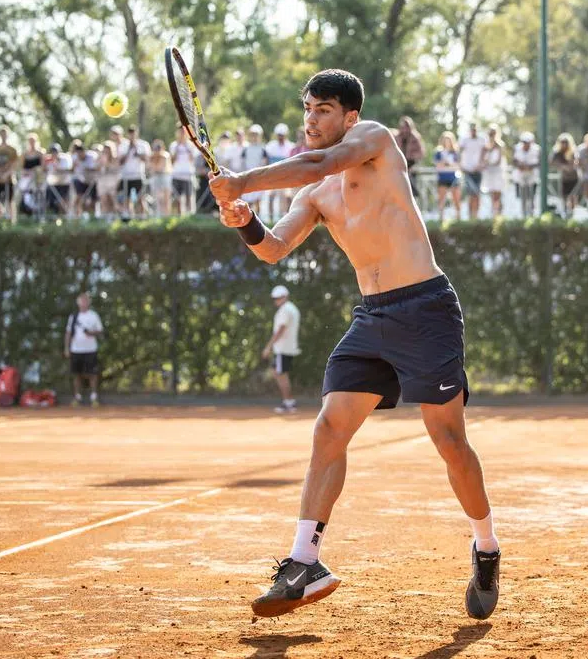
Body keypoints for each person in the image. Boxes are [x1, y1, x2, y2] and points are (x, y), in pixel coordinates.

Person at [209, 69, 501, 620]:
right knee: (329, 426)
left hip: (425, 308)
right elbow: (273, 250)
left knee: (448, 440)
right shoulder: (315, 193)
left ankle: (486, 546)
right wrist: (244, 219)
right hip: (372, 318)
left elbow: (320, 161)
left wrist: (241, 181)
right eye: (307, 108)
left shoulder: (374, 139)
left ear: (348, 116)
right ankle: (304, 561)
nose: (311, 119)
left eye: (322, 109)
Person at [265, 285, 302, 415]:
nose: (276, 300)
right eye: (275, 298)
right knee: (278, 372)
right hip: (286, 347)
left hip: (282, 348)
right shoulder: (291, 308)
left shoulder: (285, 310)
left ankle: (288, 402)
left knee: (281, 375)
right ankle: (289, 401)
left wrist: (269, 346)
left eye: (279, 297)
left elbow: (280, 329)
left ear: (285, 297)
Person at [64, 292, 103, 407]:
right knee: (76, 374)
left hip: (91, 349)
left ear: (89, 303)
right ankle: (77, 397)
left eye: (86, 301)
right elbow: (68, 333)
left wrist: (91, 333)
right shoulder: (74, 317)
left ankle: (94, 397)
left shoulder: (93, 315)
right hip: (76, 350)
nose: (84, 303)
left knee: (92, 373)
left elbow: (100, 331)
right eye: (82, 301)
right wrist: (67, 348)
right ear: (78, 303)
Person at [119, 125, 149, 218]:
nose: (132, 135)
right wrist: (129, 150)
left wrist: (136, 150)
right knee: (127, 199)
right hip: (127, 177)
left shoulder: (143, 144)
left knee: (140, 199)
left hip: (138, 176)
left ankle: (142, 219)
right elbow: (120, 161)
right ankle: (130, 218)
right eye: (130, 133)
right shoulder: (123, 145)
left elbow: (146, 159)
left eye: (133, 133)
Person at [0, 127, 19, 222]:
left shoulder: (12, 149)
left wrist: (7, 173)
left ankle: (12, 220)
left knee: (10, 200)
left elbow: (15, 164)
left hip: (9, 179)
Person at [458, 122, 485, 219]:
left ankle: (476, 215)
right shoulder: (464, 140)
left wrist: (480, 165)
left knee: (477, 193)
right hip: (467, 171)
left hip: (477, 171)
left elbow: (483, 153)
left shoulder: (481, 139)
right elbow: (459, 152)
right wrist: (461, 165)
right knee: (470, 194)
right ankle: (470, 215)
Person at [434, 132, 462, 219]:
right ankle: (441, 218)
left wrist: (447, 164)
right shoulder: (438, 152)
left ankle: (458, 217)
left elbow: (458, 165)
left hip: (453, 178)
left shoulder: (455, 152)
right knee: (441, 199)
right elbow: (438, 165)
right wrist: (446, 163)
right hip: (442, 178)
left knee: (456, 199)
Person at [170, 127, 198, 216]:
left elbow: (192, 159)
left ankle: (189, 216)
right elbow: (172, 161)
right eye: (180, 132)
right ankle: (178, 216)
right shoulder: (174, 145)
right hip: (176, 175)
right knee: (177, 199)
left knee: (189, 197)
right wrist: (178, 147)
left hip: (188, 175)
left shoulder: (190, 145)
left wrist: (186, 147)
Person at [512, 132, 540, 217]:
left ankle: (531, 213)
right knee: (523, 195)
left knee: (532, 195)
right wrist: (520, 166)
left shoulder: (537, 149)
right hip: (521, 176)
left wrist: (529, 167)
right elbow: (514, 161)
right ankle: (523, 213)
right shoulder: (517, 148)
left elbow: (539, 162)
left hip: (532, 175)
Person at [551, 133, 579, 217]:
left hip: (574, 177)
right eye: (562, 142)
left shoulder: (573, 152)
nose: (564, 144)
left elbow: (575, 162)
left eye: (566, 142)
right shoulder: (557, 153)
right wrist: (562, 166)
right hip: (564, 178)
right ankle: (565, 211)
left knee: (573, 195)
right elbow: (552, 162)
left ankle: (572, 212)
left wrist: (568, 167)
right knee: (564, 196)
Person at [481, 124, 505, 217]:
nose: (492, 135)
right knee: (492, 194)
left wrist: (488, 163)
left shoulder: (500, 145)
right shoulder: (485, 146)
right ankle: (493, 213)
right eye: (490, 133)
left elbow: (498, 161)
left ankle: (498, 214)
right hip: (489, 173)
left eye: (493, 133)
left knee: (498, 194)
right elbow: (482, 159)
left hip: (498, 173)